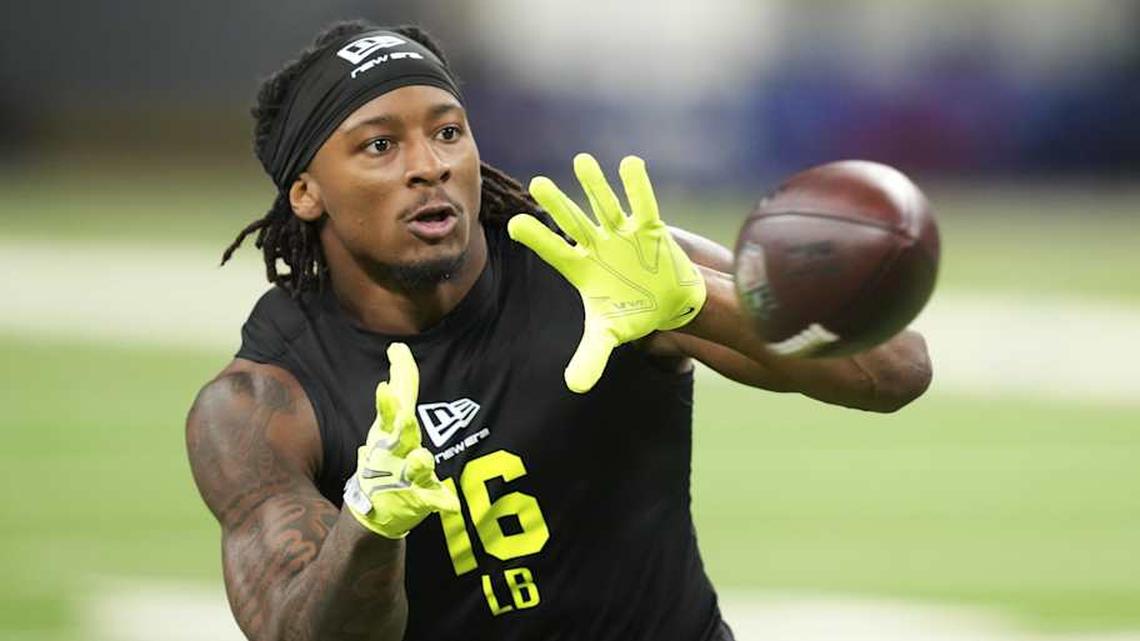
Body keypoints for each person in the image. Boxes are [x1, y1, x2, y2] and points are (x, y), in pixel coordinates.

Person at [186, 20, 932, 641]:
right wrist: (371, 522)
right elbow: (294, 629)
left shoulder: (599, 266)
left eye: (448, 131)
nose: (430, 166)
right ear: (306, 192)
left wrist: (696, 302)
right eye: (380, 145)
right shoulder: (262, 400)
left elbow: (896, 372)